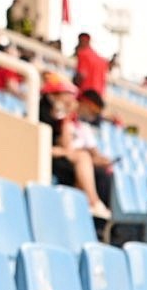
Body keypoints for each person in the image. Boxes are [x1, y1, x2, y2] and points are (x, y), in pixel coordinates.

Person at [41, 74, 111, 223]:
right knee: (83, 158)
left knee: (96, 171)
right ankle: (93, 203)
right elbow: (49, 146)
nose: (71, 100)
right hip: (48, 158)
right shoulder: (40, 113)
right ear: (53, 95)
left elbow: (66, 146)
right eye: (67, 95)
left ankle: (83, 216)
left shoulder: (64, 119)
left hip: (61, 158)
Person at [73, 30, 112, 96]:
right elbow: (109, 69)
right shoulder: (101, 60)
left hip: (86, 93)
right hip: (98, 96)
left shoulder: (83, 54)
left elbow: (81, 75)